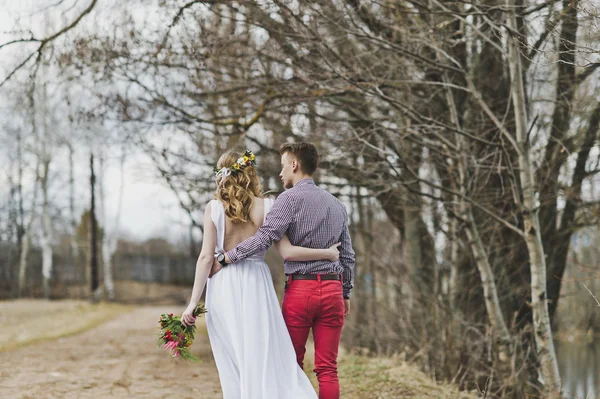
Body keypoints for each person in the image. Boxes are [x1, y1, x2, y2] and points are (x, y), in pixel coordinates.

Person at [180, 149, 340, 399]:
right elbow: (287, 251)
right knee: (260, 352)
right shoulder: (268, 205)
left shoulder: (213, 208)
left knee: (232, 356)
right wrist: (326, 253)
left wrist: (192, 303)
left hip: (224, 286)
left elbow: (205, 258)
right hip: (257, 283)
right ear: (249, 173)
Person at [215, 143, 355, 399]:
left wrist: (228, 258)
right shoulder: (337, 205)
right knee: (328, 369)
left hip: (302, 291)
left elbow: (266, 237)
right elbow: (347, 254)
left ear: (294, 165)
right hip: (334, 289)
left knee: (291, 366)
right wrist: (345, 292)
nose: (280, 174)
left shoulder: (287, 200)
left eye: (282, 166)